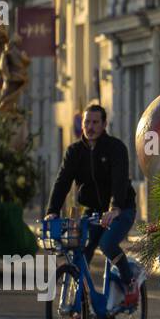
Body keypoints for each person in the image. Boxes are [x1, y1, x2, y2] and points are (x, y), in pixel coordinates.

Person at [44, 103, 144, 307]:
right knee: (80, 253)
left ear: (104, 124)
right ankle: (78, 307)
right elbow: (62, 181)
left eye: (95, 122)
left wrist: (115, 208)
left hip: (121, 208)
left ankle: (130, 281)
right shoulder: (74, 151)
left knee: (107, 244)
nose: (90, 127)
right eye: (86, 122)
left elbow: (119, 180)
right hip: (93, 212)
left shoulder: (115, 148)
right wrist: (52, 211)